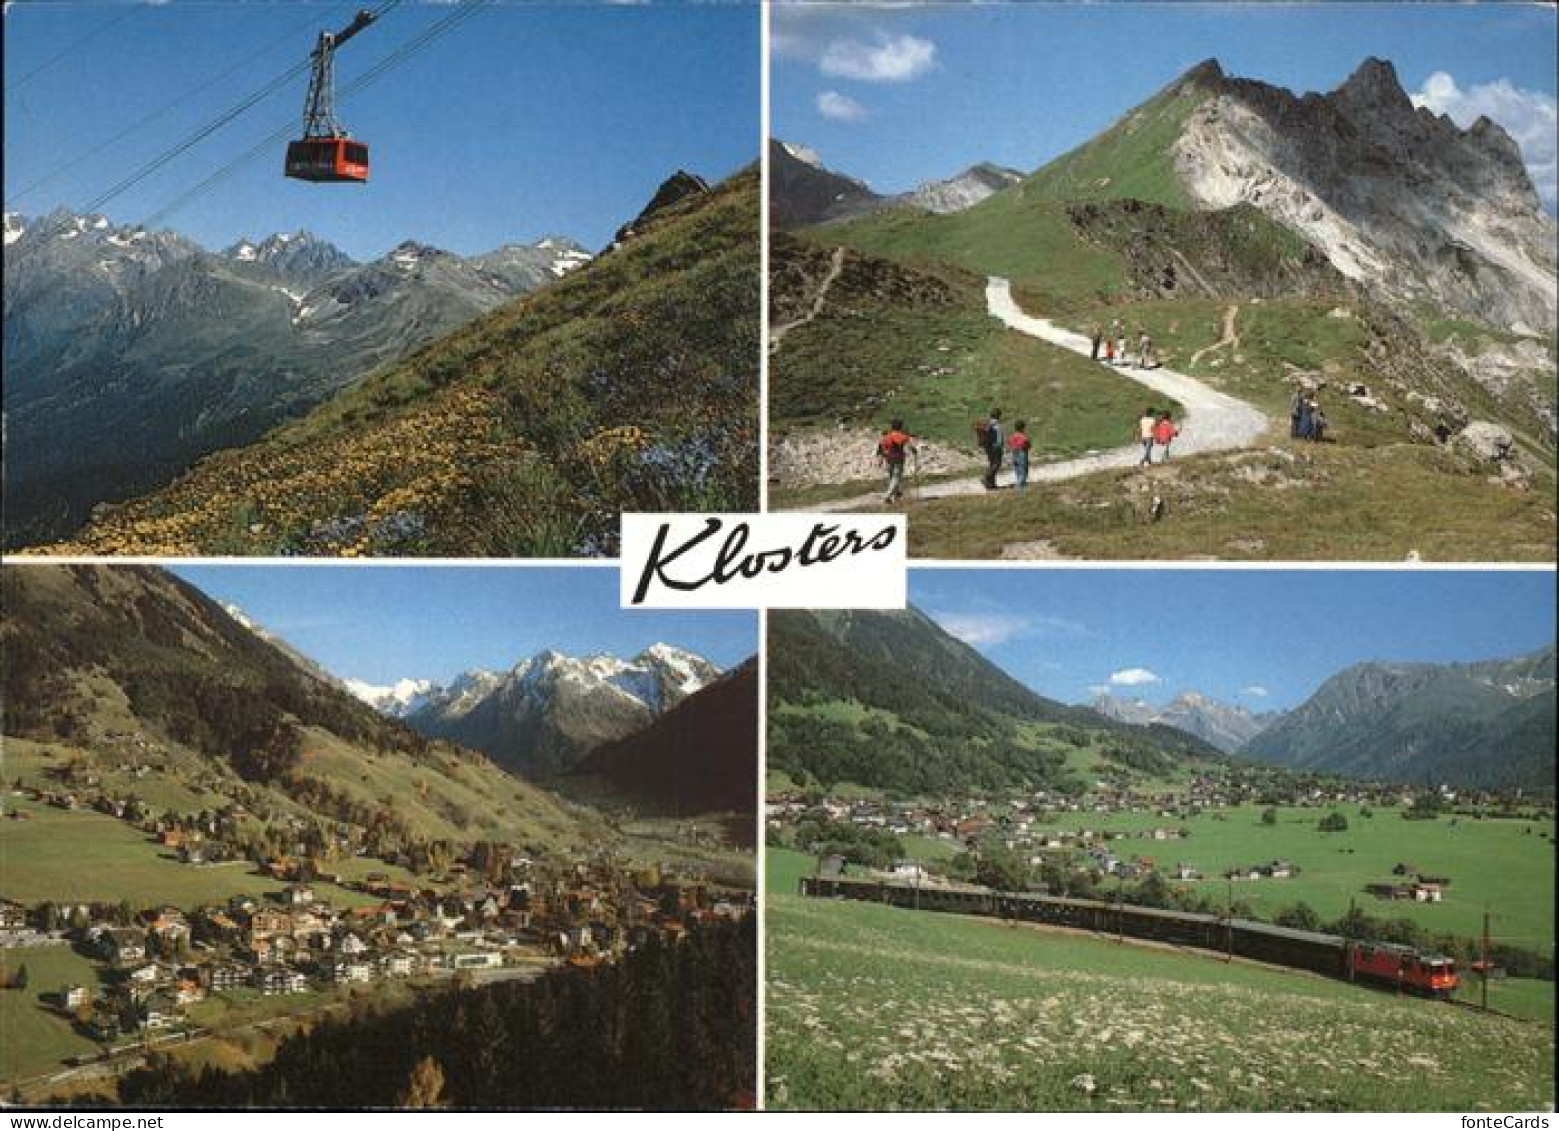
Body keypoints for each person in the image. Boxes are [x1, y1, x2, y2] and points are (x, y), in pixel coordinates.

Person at [876, 418, 918, 504]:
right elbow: (909, 445)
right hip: (898, 459)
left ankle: (897, 494)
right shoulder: (901, 436)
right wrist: (914, 450)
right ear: (900, 426)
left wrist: (880, 460)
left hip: (888, 459)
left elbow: (880, 447)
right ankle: (887, 497)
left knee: (892, 477)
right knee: (896, 478)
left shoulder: (887, 436)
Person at [980, 408, 1004, 489]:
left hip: (988, 447)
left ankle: (991, 485)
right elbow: (999, 438)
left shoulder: (988, 424)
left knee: (992, 464)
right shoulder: (997, 425)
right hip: (996, 447)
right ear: (998, 415)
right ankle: (986, 478)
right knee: (996, 464)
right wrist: (1000, 446)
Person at [1009, 420, 1032, 487]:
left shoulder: (1012, 436)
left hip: (1014, 453)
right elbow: (1027, 444)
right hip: (1022, 453)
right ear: (1023, 428)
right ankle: (1021, 483)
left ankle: (1019, 480)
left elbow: (1010, 443)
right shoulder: (1023, 436)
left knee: (1017, 468)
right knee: (1023, 468)